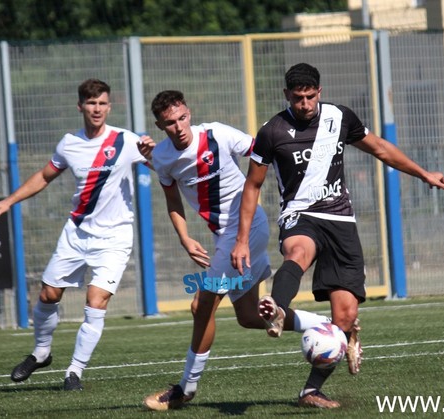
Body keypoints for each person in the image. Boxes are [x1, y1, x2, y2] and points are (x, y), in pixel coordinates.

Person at [230, 63, 444, 409]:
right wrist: (241, 239)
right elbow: (252, 185)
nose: (304, 104)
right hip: (299, 216)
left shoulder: (340, 118)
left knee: (344, 316)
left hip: (341, 221)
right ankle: (277, 308)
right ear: (286, 95)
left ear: (320, 91)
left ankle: (311, 391)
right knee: (297, 252)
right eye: (297, 97)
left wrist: (423, 174)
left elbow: (379, 148)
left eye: (310, 96)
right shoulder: (272, 131)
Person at [141, 90, 331, 411]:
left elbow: (263, 150)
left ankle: (185, 389)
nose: (179, 127)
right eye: (170, 123)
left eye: (182, 118)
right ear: (161, 126)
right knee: (247, 316)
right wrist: (186, 238)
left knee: (201, 303)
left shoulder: (218, 134)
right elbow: (173, 201)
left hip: (247, 229)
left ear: (190, 113)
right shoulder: (160, 157)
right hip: (224, 238)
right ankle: (326, 326)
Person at [0, 78, 154, 391]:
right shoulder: (69, 143)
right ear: (80, 106)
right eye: (91, 103)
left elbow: (160, 165)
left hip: (115, 238)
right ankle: (41, 352)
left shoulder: (126, 140)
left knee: (95, 299)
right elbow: (44, 176)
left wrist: (152, 153)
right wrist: (8, 201)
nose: (97, 109)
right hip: (77, 232)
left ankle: (74, 371)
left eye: (102, 103)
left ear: (109, 106)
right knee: (49, 294)